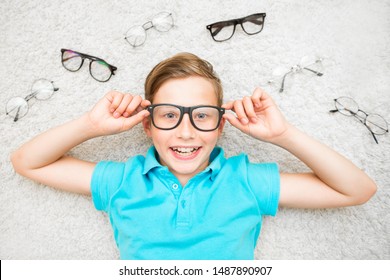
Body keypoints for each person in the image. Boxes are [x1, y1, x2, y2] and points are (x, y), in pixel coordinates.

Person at [10, 52, 377, 260]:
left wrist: (284, 135)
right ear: (147, 125)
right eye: (169, 115)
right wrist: (90, 125)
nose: (186, 131)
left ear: (221, 126)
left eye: (201, 115)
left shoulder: (246, 179)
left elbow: (356, 190)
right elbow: (27, 161)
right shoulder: (123, 180)